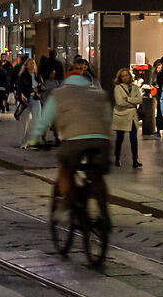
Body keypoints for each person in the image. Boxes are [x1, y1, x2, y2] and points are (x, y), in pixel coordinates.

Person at [36, 59, 113, 247]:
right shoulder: (98, 93)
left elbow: (44, 119)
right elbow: (108, 117)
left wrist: (36, 138)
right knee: (97, 175)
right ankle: (104, 215)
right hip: (101, 140)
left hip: (74, 140)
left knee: (65, 168)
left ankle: (68, 201)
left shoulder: (60, 93)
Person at [111, 67, 142, 169]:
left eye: (126, 75)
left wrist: (128, 99)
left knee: (133, 137)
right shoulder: (118, 88)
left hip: (132, 116)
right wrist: (133, 102)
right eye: (122, 76)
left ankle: (135, 159)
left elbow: (140, 100)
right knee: (120, 138)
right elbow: (120, 102)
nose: (125, 78)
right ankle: (117, 158)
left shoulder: (135, 88)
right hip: (121, 115)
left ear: (130, 76)